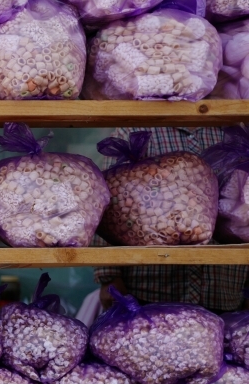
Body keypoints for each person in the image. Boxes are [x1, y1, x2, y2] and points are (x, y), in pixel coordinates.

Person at [94, 126, 249, 315]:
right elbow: (107, 205)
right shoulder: (134, 130)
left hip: (223, 287)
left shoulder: (234, 131)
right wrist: (109, 277)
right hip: (150, 289)